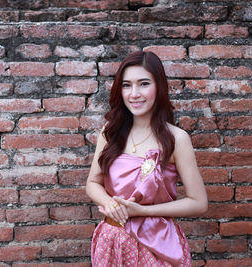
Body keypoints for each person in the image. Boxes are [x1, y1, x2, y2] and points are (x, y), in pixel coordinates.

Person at [86, 51, 208, 267]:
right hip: (112, 241)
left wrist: (143, 211)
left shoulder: (176, 139)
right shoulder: (110, 132)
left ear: (159, 86)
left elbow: (198, 203)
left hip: (159, 245)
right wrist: (110, 204)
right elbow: (93, 182)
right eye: (126, 85)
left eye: (143, 84)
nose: (134, 94)